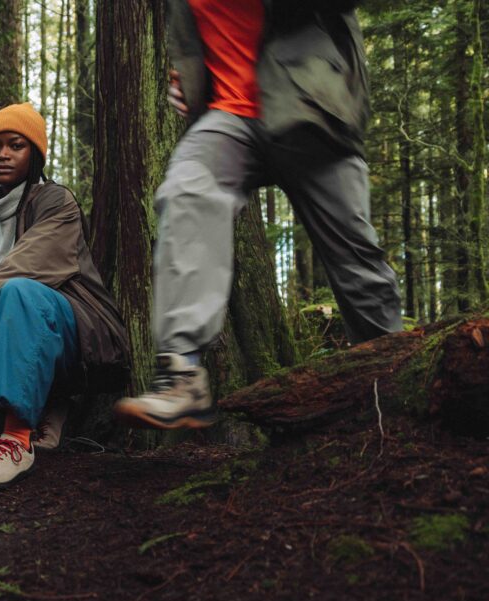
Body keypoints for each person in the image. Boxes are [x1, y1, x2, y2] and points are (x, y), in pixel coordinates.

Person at [114, 0, 402, 429]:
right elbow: (199, 40)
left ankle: (397, 381)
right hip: (228, 118)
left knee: (356, 260)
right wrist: (189, 81)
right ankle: (181, 376)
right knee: (186, 191)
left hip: (310, 105)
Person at [0, 103, 130, 490]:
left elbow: (21, 269)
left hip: (83, 337)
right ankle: (43, 418)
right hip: (28, 338)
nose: (2, 155)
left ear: (35, 153)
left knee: (18, 292)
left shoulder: (56, 202)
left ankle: (15, 442)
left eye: (16, 145)